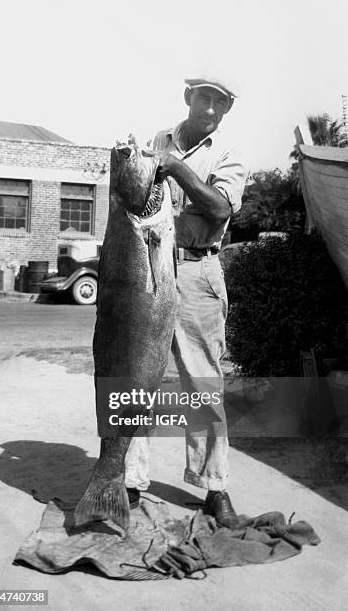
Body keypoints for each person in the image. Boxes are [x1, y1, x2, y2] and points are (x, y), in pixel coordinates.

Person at [125, 69, 248, 525]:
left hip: (198, 270)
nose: (211, 109)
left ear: (229, 108)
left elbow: (218, 209)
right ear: (188, 97)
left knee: (202, 383)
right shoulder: (158, 139)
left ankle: (214, 486)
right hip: (151, 265)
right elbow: (134, 198)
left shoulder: (231, 154)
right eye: (204, 99)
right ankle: (130, 480)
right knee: (135, 376)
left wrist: (173, 167)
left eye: (221, 102)